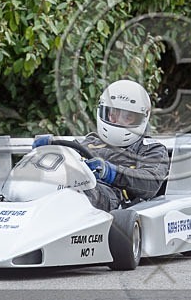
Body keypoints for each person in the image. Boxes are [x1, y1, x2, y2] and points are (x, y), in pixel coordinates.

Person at [33, 79, 170, 211]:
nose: (117, 121)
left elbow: (150, 183)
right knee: (43, 185)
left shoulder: (151, 149)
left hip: (114, 199)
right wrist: (49, 148)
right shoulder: (92, 141)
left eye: (127, 117)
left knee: (75, 194)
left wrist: (112, 173)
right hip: (73, 189)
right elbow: (67, 160)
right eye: (113, 114)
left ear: (142, 118)